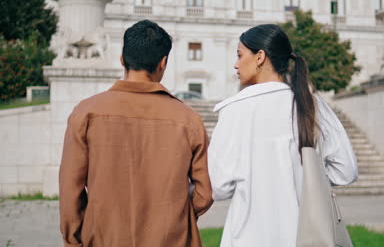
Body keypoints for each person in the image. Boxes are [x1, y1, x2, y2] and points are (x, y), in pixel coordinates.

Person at [59, 20, 213, 247]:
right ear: (163, 63)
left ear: (122, 59)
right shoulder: (188, 119)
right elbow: (204, 192)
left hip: (103, 237)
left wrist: (75, 239)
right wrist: (175, 217)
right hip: (172, 238)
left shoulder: (85, 113)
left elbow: (70, 189)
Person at [208, 24, 358, 246]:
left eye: (240, 55)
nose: (236, 64)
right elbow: (346, 171)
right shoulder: (313, 105)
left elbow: (219, 186)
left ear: (260, 57)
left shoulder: (233, 111)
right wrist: (304, 176)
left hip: (248, 237)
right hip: (307, 236)